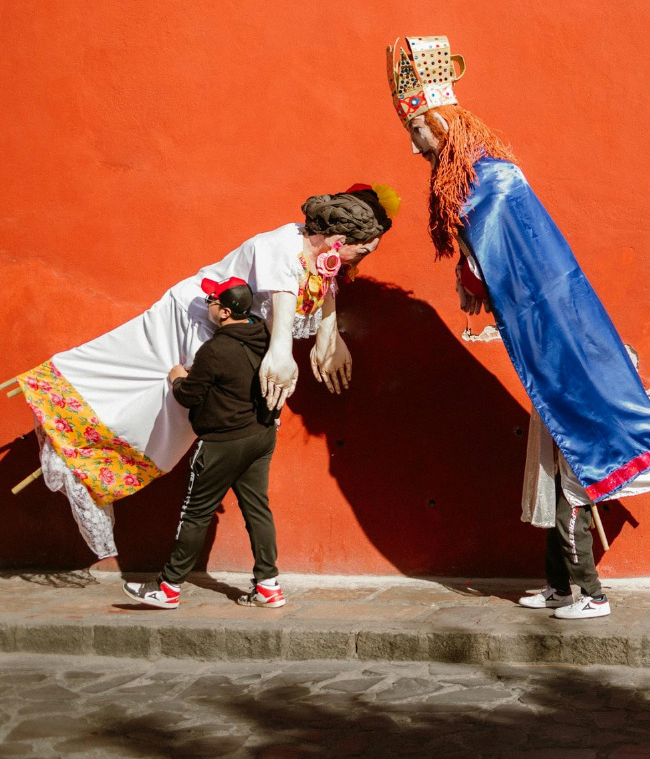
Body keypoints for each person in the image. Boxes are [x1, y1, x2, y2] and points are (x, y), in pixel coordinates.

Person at [385, 35, 650, 621]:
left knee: (573, 473)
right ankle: (558, 585)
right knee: (552, 471)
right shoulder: (478, 184)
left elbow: (506, 263)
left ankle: (591, 595)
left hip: (561, 352)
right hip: (544, 348)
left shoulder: (494, 182)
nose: (414, 144)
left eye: (418, 130)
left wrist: (473, 277)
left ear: (441, 122)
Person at [14, 186, 397, 559]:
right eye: (362, 252)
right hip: (193, 321)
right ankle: (71, 435)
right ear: (338, 240)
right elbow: (280, 338)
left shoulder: (313, 247)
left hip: (225, 335)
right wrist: (283, 372)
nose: (360, 262)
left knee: (171, 424)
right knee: (157, 403)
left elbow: (321, 281)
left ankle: (88, 457)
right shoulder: (281, 249)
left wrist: (330, 336)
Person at [124, 277, 282, 609]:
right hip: (261, 434)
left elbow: (188, 395)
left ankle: (168, 588)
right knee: (257, 510)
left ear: (224, 312)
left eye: (211, 300)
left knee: (195, 514)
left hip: (223, 442)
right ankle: (268, 586)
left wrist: (177, 378)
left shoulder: (214, 350)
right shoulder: (264, 334)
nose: (207, 304)